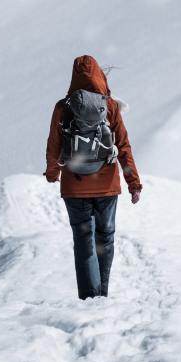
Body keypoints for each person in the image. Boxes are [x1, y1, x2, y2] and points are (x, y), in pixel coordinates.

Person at [44, 54, 142, 300]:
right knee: (105, 240)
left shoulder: (63, 107)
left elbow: (54, 145)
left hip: (74, 187)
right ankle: (102, 296)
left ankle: (89, 298)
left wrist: (53, 173)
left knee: (84, 240)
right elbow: (124, 146)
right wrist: (134, 184)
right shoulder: (108, 106)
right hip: (107, 186)